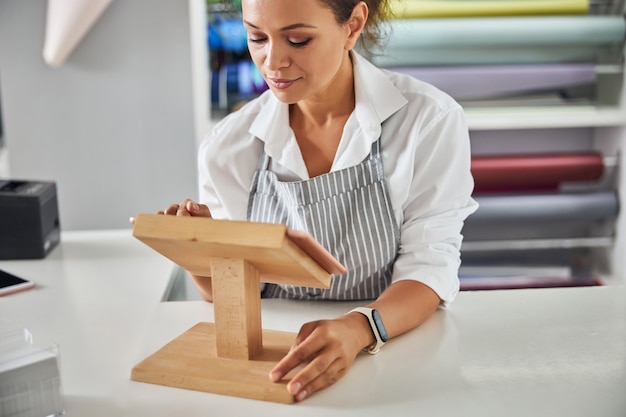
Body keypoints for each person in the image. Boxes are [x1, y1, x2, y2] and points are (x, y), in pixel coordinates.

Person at [161, 0, 478, 402]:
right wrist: (198, 249)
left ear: (353, 25)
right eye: (256, 37)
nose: (272, 62)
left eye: (297, 39)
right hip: (276, 367)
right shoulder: (228, 146)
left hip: (393, 356)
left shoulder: (427, 121)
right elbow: (228, 293)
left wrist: (358, 329)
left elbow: (431, 268)